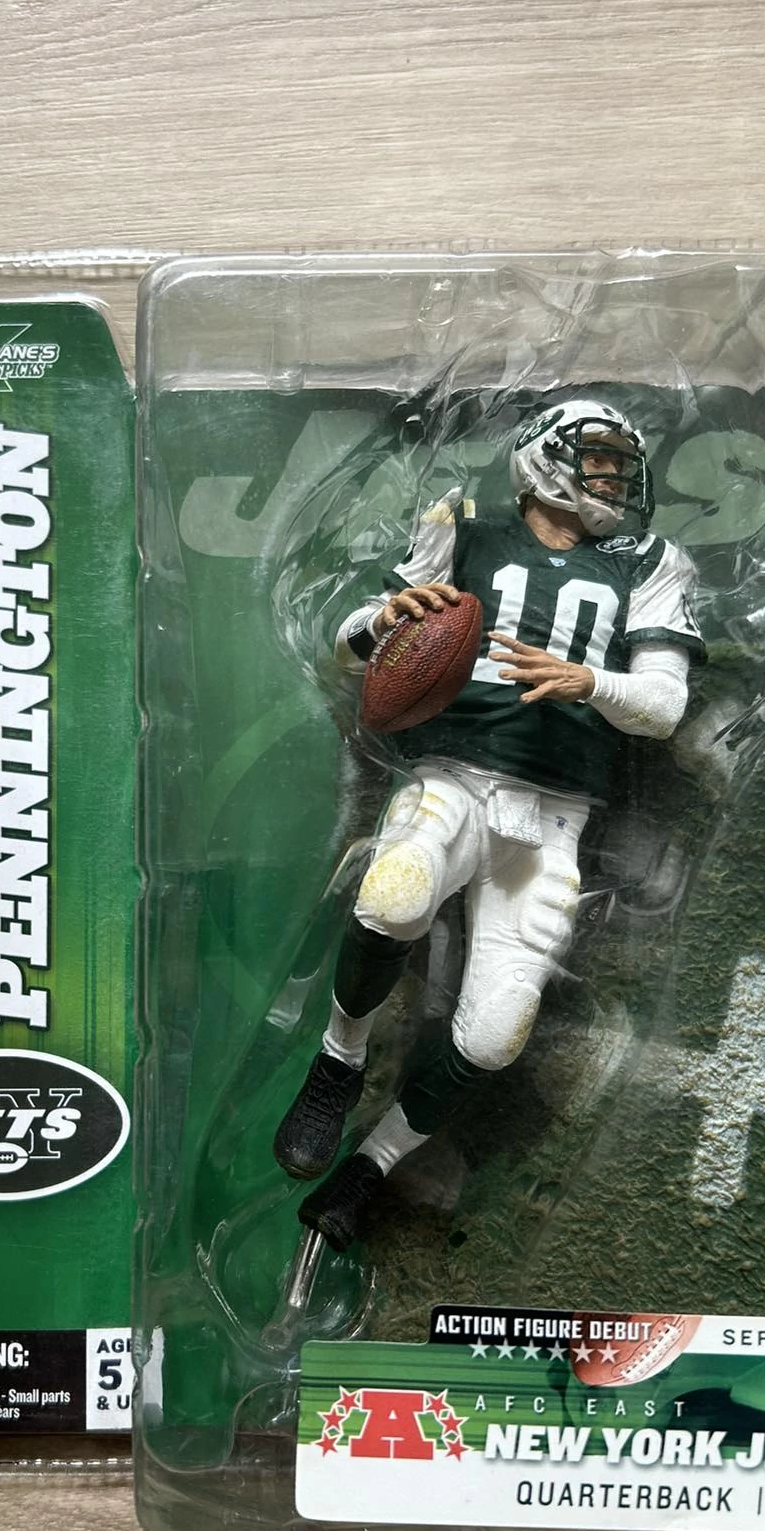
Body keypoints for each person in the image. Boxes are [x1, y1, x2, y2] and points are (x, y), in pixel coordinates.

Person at [274, 398, 704, 1251]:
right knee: (392, 895)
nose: (614, 475)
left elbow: (664, 706)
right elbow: (347, 647)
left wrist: (589, 682)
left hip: (554, 816)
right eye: (598, 456)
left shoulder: (652, 563)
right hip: (455, 778)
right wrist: (381, 622)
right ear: (543, 457)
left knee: (498, 1034)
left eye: (621, 462)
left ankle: (369, 1169)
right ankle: (339, 1059)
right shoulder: (463, 527)